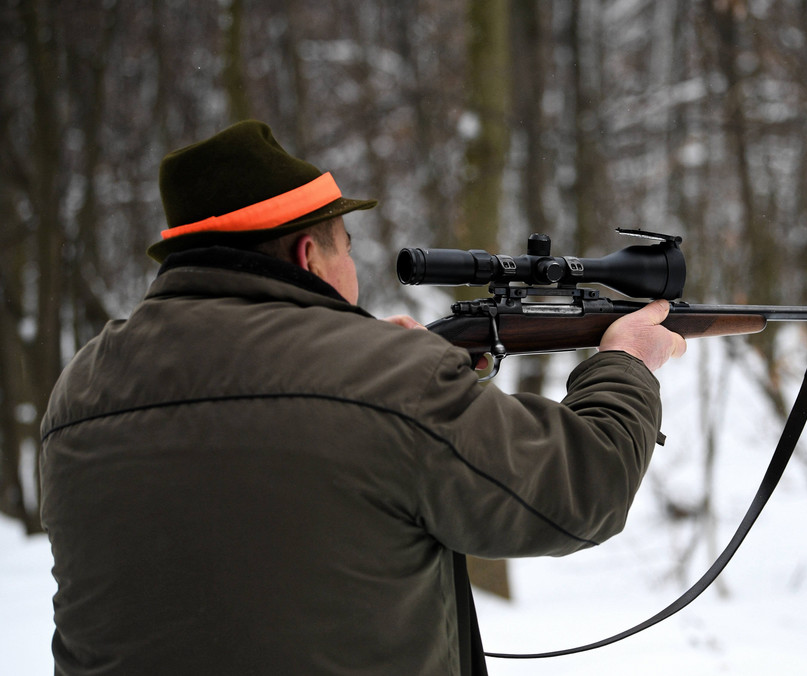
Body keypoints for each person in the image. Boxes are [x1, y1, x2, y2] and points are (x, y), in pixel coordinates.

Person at [39, 120, 686, 676]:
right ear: (308, 255)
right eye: (346, 248)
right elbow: (579, 495)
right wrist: (627, 361)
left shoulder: (82, 389)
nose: (354, 271)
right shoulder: (387, 380)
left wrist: (373, 372)